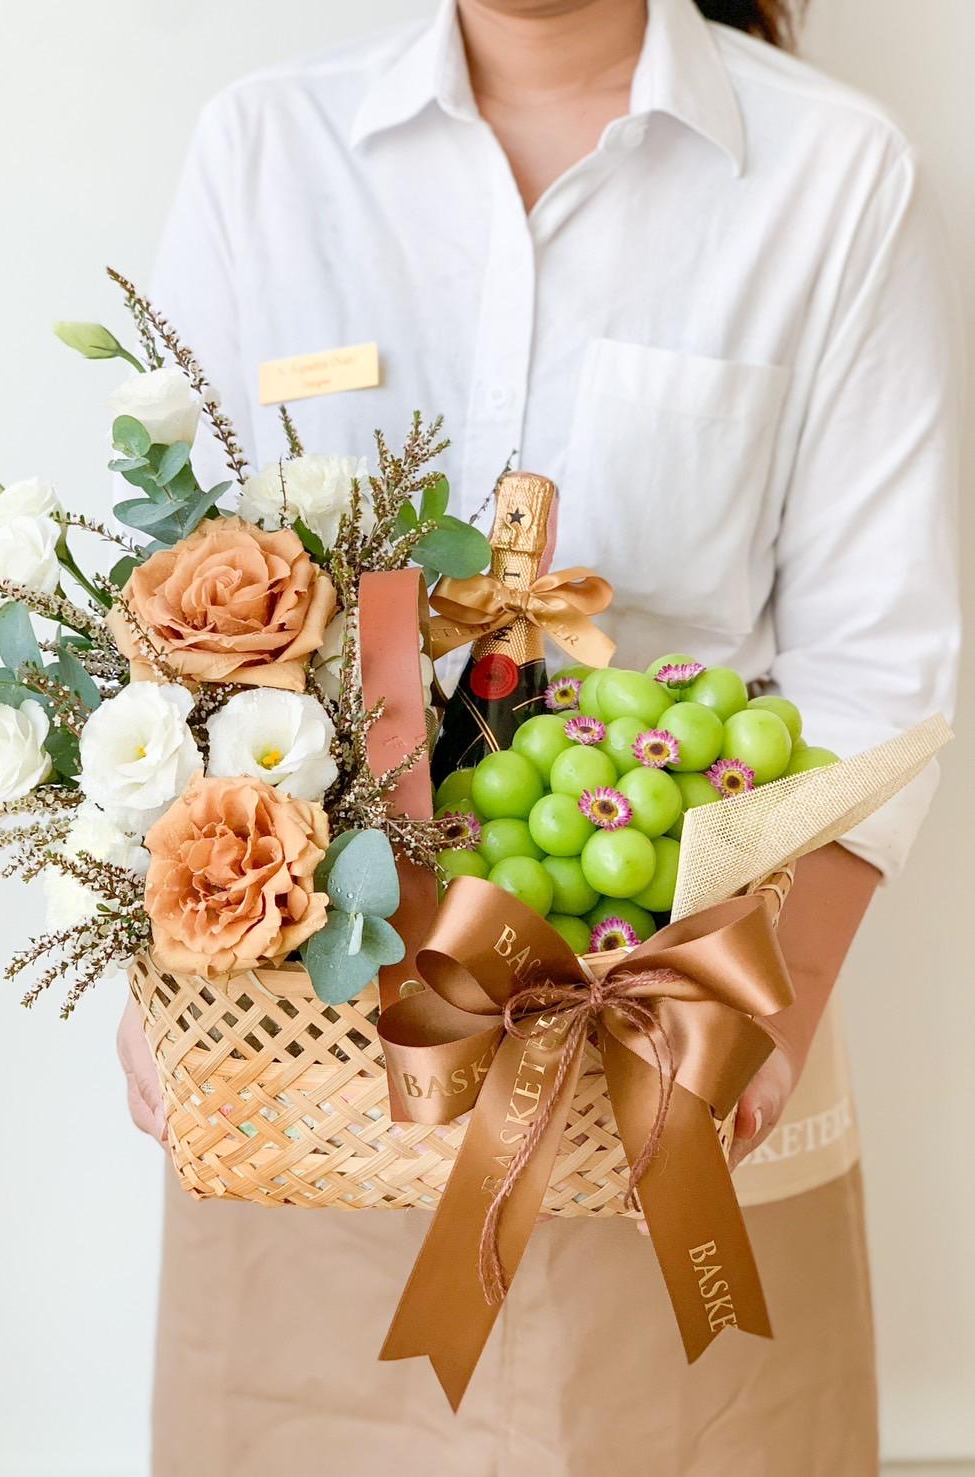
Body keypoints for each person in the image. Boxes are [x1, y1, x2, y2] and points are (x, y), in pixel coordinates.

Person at [116, 0, 962, 1470]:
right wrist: (173, 964)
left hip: (690, 1043)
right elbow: (167, 619)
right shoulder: (270, 151)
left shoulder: (831, 172)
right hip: (322, 1073)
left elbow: (881, 661)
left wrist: (766, 1014)